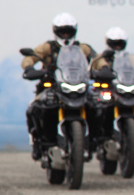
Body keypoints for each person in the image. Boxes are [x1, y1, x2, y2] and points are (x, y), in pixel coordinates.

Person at [20, 13, 96, 160]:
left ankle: (93, 141)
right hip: (52, 86)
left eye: (69, 31)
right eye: (62, 31)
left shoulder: (83, 48)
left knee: (97, 106)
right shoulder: (47, 47)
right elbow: (30, 57)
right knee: (34, 108)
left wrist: (103, 68)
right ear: (56, 31)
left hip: (77, 85)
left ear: (74, 31)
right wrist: (29, 67)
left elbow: (98, 59)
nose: (66, 35)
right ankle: (37, 141)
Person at [88, 27, 134, 145]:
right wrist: (103, 72)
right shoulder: (101, 57)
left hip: (127, 88)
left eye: (120, 43)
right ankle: (99, 133)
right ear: (108, 42)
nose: (117, 46)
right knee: (97, 106)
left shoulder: (131, 58)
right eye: (114, 43)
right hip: (109, 89)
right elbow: (96, 67)